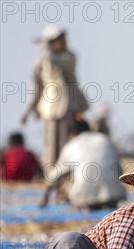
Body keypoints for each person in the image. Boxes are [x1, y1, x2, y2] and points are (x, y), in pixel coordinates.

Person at [21, 24, 88, 167]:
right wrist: (27, 110)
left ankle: (63, 178)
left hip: (67, 106)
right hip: (48, 107)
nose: (63, 41)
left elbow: (56, 61)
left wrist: (46, 46)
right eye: (57, 39)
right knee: (50, 144)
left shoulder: (70, 57)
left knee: (65, 144)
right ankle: (51, 176)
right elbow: (37, 86)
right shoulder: (41, 61)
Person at [40, 117, 127, 210]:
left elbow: (53, 176)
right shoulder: (105, 140)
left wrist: (45, 197)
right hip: (113, 195)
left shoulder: (71, 145)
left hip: (84, 197)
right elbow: (120, 170)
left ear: (73, 133)